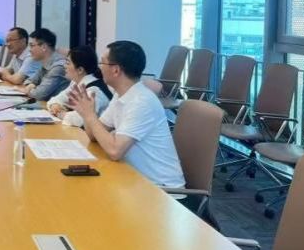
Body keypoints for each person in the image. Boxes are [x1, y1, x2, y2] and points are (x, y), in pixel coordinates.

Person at [68, 40, 185, 188]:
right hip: (136, 181)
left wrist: (91, 116)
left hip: (162, 190)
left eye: (102, 63)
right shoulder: (121, 95)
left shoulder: (141, 102)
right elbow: (93, 136)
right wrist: (87, 114)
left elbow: (114, 151)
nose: (99, 67)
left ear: (116, 70)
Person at [47, 46, 112, 126]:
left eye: (68, 63)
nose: (64, 66)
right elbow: (56, 99)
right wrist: (54, 105)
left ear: (80, 70)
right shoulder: (76, 83)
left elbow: (79, 120)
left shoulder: (94, 90)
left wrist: (60, 113)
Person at [22, 28, 69, 101]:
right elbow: (28, 81)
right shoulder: (45, 63)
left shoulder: (58, 67)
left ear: (44, 47)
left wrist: (31, 88)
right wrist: (31, 85)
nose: (29, 50)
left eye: (32, 45)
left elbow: (39, 95)